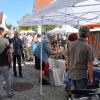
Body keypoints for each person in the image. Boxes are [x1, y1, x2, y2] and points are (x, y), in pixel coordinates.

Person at [67, 26, 94, 95]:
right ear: (88, 34)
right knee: (80, 95)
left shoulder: (71, 44)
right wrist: (91, 77)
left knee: (74, 93)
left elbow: (68, 59)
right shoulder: (88, 47)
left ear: (79, 34)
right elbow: (90, 64)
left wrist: (68, 70)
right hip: (81, 75)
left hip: (71, 73)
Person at [0, 27, 14, 98]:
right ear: (1, 32)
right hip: (4, 64)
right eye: (3, 32)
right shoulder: (5, 41)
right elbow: (9, 54)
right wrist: (10, 63)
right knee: (7, 79)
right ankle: (9, 93)